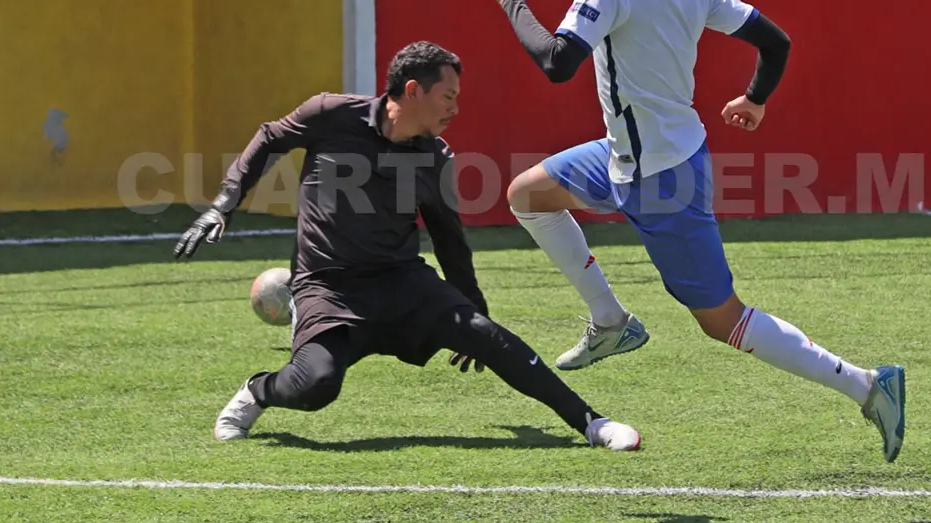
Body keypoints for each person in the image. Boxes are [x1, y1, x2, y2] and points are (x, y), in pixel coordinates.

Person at [483, 0, 905, 462]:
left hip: (660, 179)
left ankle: (867, 384)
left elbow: (557, 62)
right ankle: (611, 320)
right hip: (632, 158)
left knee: (722, 320)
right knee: (528, 193)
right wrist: (756, 100)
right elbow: (775, 43)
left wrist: (511, 0)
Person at [173, 41, 641, 451]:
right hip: (327, 288)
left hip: (402, 283)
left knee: (490, 337)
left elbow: (447, 235)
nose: (456, 108)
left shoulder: (434, 156)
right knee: (314, 386)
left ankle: (592, 423)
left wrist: (471, 308)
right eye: (449, 96)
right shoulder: (330, 114)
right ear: (413, 90)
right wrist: (222, 206)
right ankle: (258, 391)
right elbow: (270, 138)